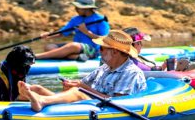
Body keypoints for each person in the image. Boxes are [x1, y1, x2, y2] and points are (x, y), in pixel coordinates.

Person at [18, 30, 147, 112]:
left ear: (114, 52)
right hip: (88, 104)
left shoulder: (131, 73)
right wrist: (71, 85)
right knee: (36, 88)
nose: (99, 52)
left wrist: (81, 88)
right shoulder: (104, 68)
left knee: (77, 92)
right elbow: (82, 85)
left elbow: (119, 103)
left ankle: (41, 101)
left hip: (105, 110)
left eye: (101, 49)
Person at [36, 0, 110, 61]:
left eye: (78, 7)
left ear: (86, 8)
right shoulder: (75, 19)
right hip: (76, 47)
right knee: (49, 47)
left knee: (73, 46)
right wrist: (49, 35)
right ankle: (75, 57)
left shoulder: (101, 20)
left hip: (93, 50)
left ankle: (36, 57)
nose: (75, 9)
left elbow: (105, 40)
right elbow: (62, 33)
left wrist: (86, 32)